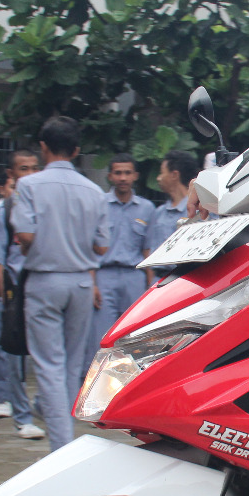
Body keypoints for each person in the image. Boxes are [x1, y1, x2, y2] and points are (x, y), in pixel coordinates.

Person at [11, 116, 110, 451]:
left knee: (49, 365)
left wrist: (28, 244)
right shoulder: (95, 192)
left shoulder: (28, 186)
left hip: (45, 281)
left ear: (43, 147)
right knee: (71, 365)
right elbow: (102, 245)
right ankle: (65, 439)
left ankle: (61, 444)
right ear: (77, 150)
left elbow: (26, 234)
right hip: (81, 281)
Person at [0, 149, 44, 439]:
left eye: (33, 168)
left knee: (47, 354)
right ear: (11, 174)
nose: (28, 174)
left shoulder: (46, 204)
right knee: (14, 354)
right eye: (22, 168)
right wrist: (5, 293)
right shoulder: (5, 209)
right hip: (17, 288)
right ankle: (22, 415)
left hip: (44, 284)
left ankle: (45, 404)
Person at [83, 155, 156, 363]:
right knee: (100, 335)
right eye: (118, 173)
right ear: (110, 176)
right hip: (104, 276)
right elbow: (90, 247)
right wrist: (92, 283)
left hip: (134, 277)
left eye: (127, 173)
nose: (123, 178)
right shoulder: (99, 204)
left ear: (135, 176)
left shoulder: (146, 209)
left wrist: (150, 286)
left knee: (133, 335)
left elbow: (147, 250)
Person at [145, 150, 200, 263]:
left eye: (161, 173)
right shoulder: (159, 212)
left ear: (174, 175)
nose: (158, 178)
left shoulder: (199, 211)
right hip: (159, 277)